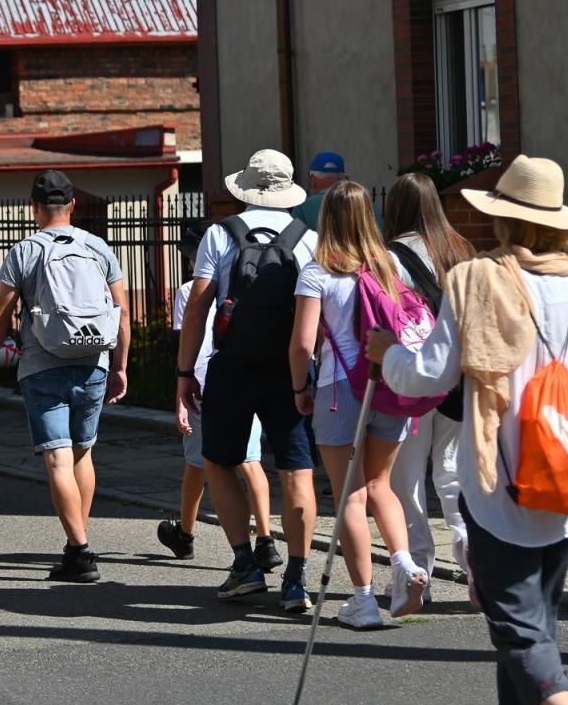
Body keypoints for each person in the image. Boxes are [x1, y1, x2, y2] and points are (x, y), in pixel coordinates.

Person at [367, 155, 568, 705]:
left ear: (504, 218)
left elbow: (430, 373)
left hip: (499, 483)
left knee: (516, 629)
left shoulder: (480, 279)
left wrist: (387, 357)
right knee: (535, 626)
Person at [176, 149, 319, 610]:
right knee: (296, 470)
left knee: (218, 460)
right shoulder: (309, 239)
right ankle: (296, 578)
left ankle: (244, 565)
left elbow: (198, 305)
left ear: (247, 187)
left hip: (233, 366)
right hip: (290, 369)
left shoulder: (220, 234)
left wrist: (184, 373)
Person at [0, 170, 130, 582]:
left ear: (34, 207)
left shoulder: (24, 251)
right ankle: (76, 545)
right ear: (73, 206)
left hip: (43, 364)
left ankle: (79, 551)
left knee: (57, 457)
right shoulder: (98, 247)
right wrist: (119, 365)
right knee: (82, 452)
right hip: (94, 362)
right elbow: (122, 313)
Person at [289, 180, 425, 628]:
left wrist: (298, 388)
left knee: (351, 492)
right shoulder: (390, 267)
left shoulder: (317, 273)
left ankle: (364, 599)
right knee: (383, 485)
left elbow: (303, 344)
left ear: (326, 218)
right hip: (388, 383)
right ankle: (404, 565)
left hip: (338, 390)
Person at [158, 220, 278, 568]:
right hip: (246, 370)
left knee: (198, 461)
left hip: (205, 379)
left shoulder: (187, 291)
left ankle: (185, 533)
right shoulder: (248, 284)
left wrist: (182, 383)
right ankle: (266, 539)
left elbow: (188, 338)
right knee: (251, 459)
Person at [383, 172, 476, 591]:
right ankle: (471, 547)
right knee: (454, 471)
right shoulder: (462, 250)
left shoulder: (389, 257)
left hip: (414, 377)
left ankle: (416, 567)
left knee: (407, 480)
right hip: (458, 378)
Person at [293, 151, 348, 231]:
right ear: (343, 178)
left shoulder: (303, 207)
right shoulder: (358, 202)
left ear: (313, 178)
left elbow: (291, 239)